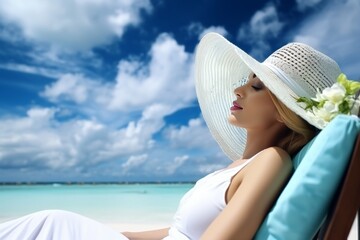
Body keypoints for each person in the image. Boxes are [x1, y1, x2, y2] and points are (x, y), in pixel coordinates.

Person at [0, 32, 346, 240]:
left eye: (256, 86)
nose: (239, 89)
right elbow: (178, 232)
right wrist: (118, 234)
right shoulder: (238, 165)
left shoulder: (271, 162)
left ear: (284, 111)